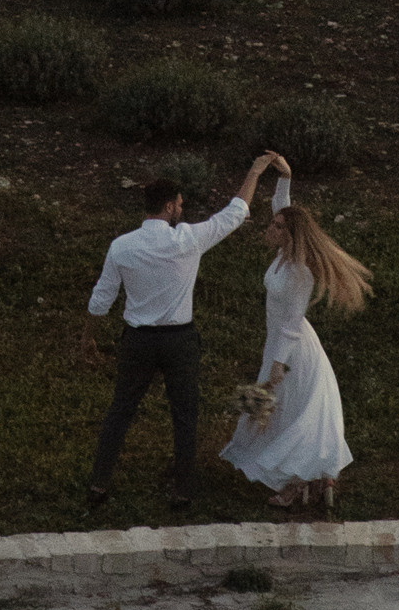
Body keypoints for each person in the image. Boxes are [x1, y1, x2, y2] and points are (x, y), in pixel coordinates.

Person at [83, 151, 285, 515]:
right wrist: (255, 171)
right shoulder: (188, 239)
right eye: (179, 204)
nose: (181, 208)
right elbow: (235, 212)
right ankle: (182, 489)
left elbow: (102, 298)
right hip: (179, 340)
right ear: (168, 206)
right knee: (185, 413)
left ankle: (99, 482)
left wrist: (88, 337)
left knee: (121, 410)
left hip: (137, 340)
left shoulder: (122, 246)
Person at [220, 172, 371, 519]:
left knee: (287, 412)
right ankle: (312, 476)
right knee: (278, 411)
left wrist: (278, 363)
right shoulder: (283, 256)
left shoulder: (299, 272)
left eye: (277, 226)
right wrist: (284, 176)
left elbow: (291, 322)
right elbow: (283, 208)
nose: (270, 228)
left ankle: (296, 481)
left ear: (289, 235)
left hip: (292, 350)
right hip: (278, 344)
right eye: (272, 224)